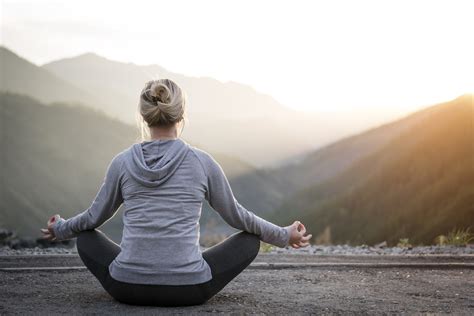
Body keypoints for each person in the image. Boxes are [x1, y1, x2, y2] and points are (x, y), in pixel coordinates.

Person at [41, 78, 312, 307]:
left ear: (143, 116)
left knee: (86, 237)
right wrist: (283, 235)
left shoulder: (122, 162)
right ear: (181, 115)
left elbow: (92, 219)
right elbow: (238, 217)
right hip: (189, 291)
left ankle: (135, 268)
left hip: (125, 288)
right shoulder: (202, 162)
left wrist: (61, 228)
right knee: (249, 240)